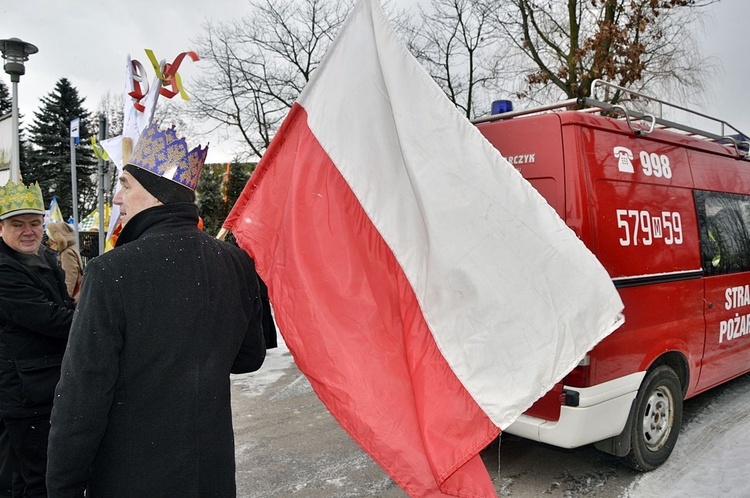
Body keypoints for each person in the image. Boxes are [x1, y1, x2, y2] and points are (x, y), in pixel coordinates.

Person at [46, 123, 267, 497]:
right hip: (210, 476)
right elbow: (249, 357)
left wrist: (61, 485)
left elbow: (82, 398)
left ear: (155, 194)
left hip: (133, 477)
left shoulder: (112, 271)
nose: (117, 198)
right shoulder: (235, 261)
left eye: (126, 185)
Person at [0, 181, 75, 497]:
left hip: (46, 387)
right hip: (24, 394)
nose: (28, 231)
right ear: (1, 227)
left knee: (22, 475)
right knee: (38, 479)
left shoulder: (45, 257)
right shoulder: (4, 270)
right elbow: (51, 319)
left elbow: (64, 306)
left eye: (34, 223)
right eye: (18, 224)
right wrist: (103, 317)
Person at [45, 222, 83, 301]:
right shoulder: (70, 248)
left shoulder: (67, 253)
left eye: (51, 238)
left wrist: (66, 300)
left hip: (71, 300)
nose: (48, 241)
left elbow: (69, 278)